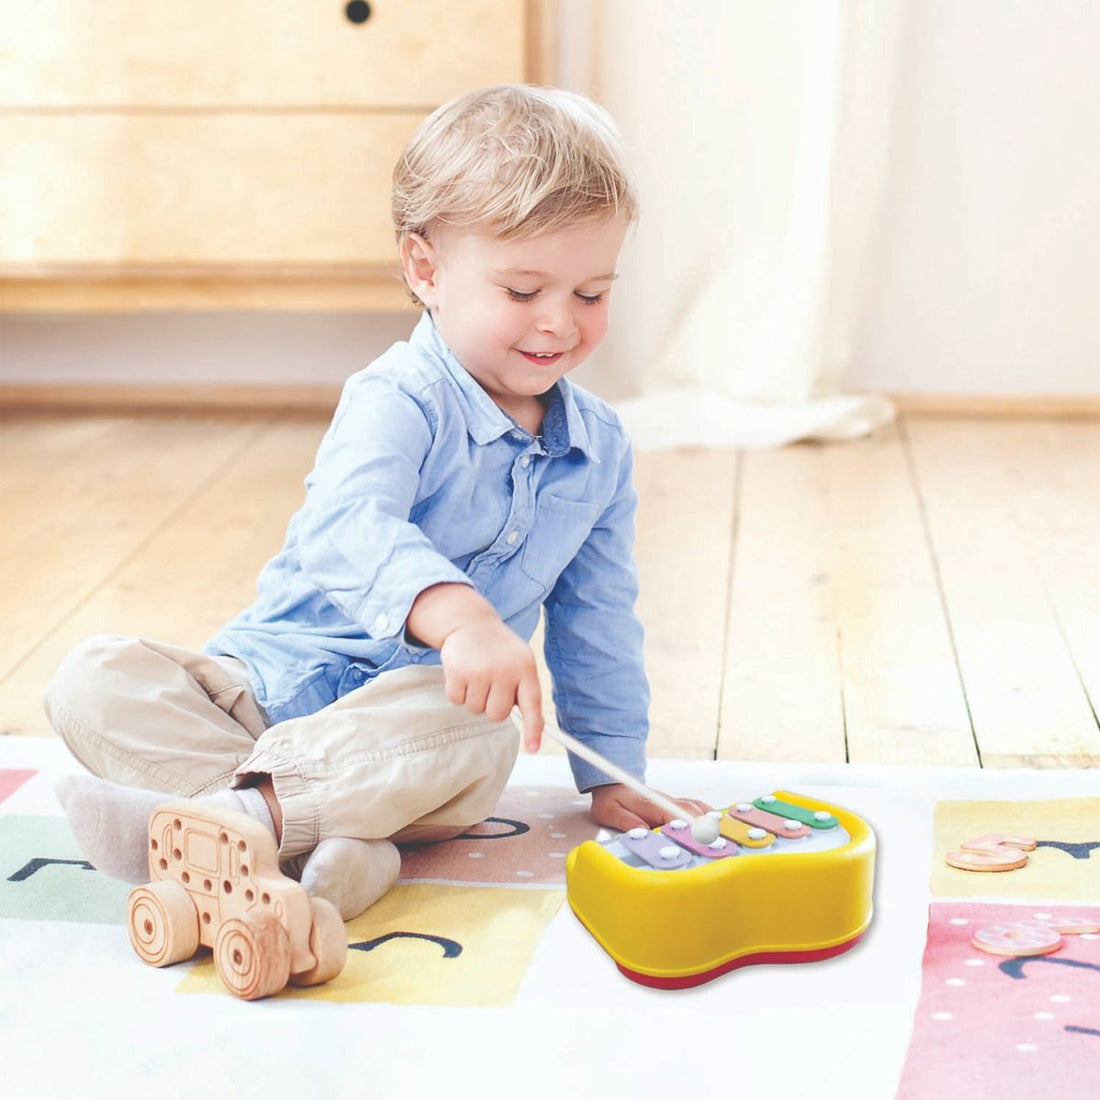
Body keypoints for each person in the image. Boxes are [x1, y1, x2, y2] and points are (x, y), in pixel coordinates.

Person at [45, 84, 709, 922]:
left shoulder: (600, 450)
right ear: (426, 270)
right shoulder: (399, 397)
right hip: (264, 694)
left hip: (410, 734)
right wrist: (461, 618)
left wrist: (613, 772)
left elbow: (599, 619)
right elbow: (345, 526)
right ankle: (305, 838)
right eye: (522, 292)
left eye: (590, 294)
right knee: (94, 677)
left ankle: (240, 828)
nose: (558, 323)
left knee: (483, 730)